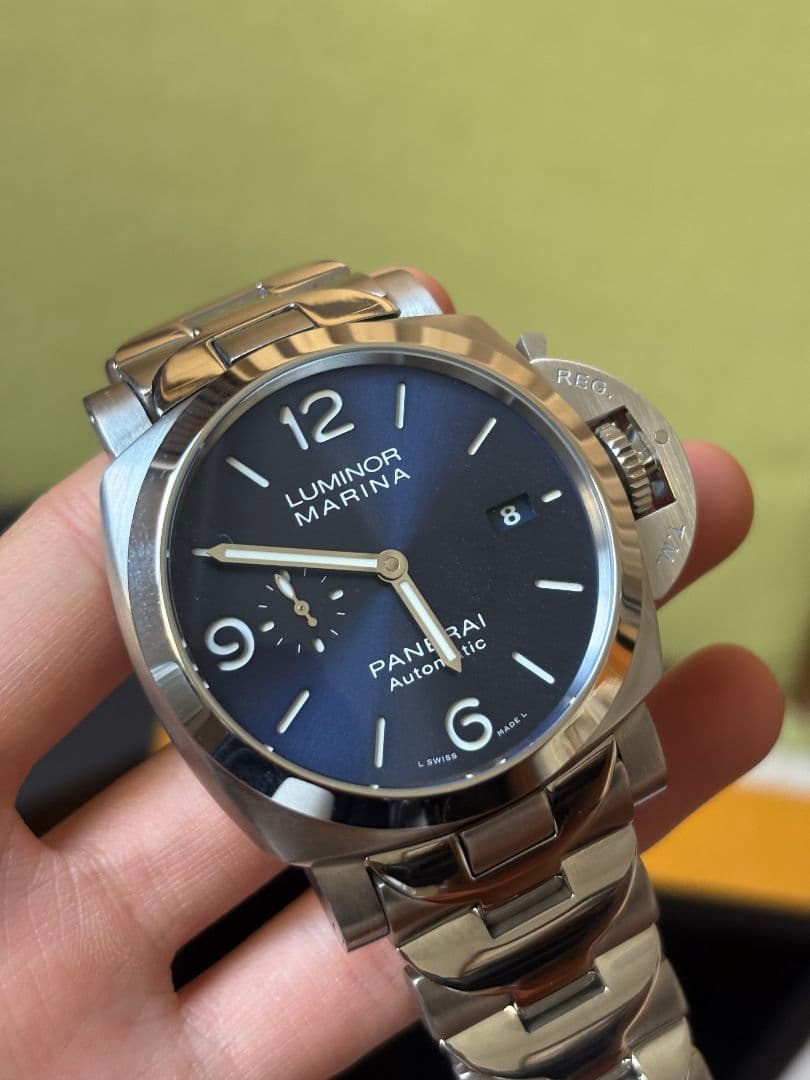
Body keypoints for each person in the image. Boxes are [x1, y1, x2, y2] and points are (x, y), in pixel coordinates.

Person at [0, 270, 783, 1078]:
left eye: (392, 554)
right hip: (423, 817)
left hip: (562, 741)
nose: (390, 560)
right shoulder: (169, 553)